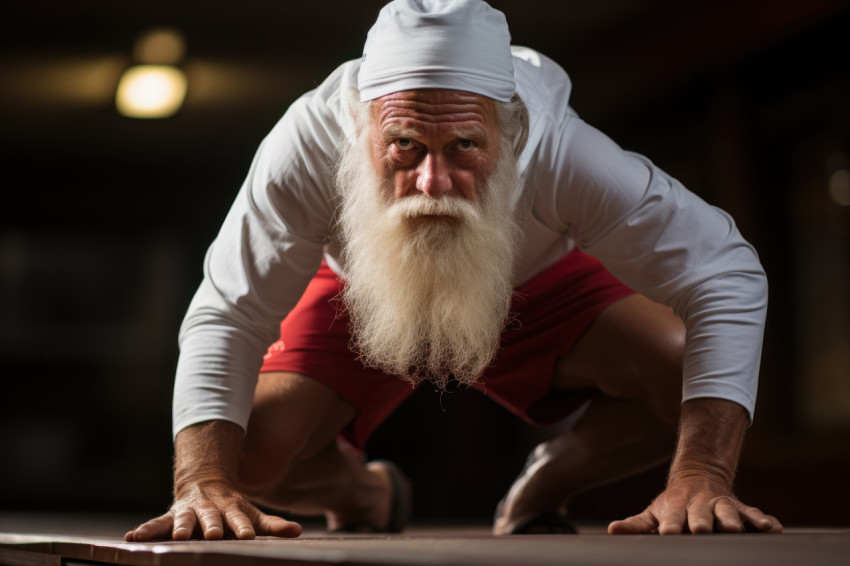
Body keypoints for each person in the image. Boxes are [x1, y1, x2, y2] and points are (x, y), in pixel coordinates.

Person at [126, 0, 782, 541]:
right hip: (363, 287)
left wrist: (702, 473)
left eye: (464, 145)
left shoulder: (561, 150)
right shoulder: (306, 146)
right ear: (362, 130)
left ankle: (556, 474)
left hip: (534, 286)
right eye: (405, 146)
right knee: (245, 455)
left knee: (683, 363)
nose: (433, 181)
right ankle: (363, 492)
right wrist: (201, 484)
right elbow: (229, 312)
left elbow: (725, 272)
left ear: (511, 131)